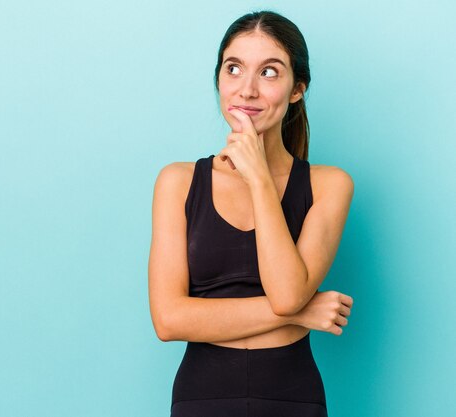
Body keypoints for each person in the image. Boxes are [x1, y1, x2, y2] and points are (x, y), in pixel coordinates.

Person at [148, 10, 355, 417]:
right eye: (234, 68)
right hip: (201, 398)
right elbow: (169, 320)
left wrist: (259, 176)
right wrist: (303, 312)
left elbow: (287, 294)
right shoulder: (178, 181)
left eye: (270, 72)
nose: (247, 90)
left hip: (292, 397)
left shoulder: (329, 185)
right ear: (219, 79)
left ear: (297, 89)